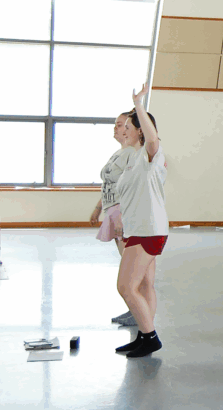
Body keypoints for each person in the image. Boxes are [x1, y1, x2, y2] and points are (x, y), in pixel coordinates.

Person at [113, 84, 169, 358]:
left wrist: (138, 104)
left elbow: (153, 138)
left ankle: (150, 337)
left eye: (128, 126)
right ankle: (143, 334)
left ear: (140, 130)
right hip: (138, 228)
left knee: (125, 286)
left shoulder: (152, 155)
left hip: (149, 230)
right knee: (144, 285)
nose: (123, 129)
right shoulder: (133, 158)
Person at [91, 111, 135, 326]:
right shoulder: (118, 153)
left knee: (131, 265)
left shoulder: (132, 154)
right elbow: (108, 185)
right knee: (126, 262)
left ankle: (137, 310)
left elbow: (127, 188)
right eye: (116, 124)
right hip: (112, 210)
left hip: (122, 212)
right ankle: (133, 309)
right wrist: (98, 208)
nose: (116, 128)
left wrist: (120, 217)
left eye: (120, 124)